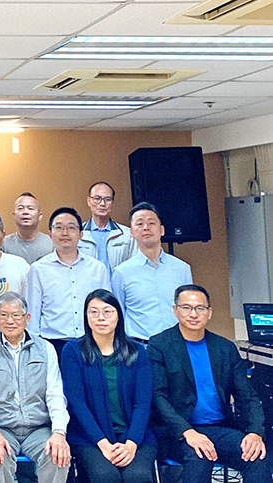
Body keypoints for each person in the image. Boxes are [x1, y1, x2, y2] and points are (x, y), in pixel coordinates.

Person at [150, 284, 271, 483]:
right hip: (179, 431)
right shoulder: (159, 345)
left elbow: (247, 396)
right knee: (199, 457)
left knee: (257, 456)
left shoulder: (224, 347)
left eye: (200, 308)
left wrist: (255, 432)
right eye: (186, 307)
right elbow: (157, 397)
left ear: (209, 312)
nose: (193, 314)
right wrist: (187, 432)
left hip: (219, 428)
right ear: (175, 310)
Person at [0, 291, 70, 483]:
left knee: (57, 455)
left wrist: (59, 432)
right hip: (2, 427)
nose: (10, 321)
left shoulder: (45, 348)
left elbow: (55, 394)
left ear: (27, 318)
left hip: (38, 428)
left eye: (16, 315)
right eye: (4, 315)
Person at [61, 289, 157, 483]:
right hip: (90, 436)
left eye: (107, 312)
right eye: (93, 312)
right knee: (105, 476)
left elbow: (143, 404)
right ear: (86, 317)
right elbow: (77, 403)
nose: (101, 318)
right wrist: (103, 444)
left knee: (137, 476)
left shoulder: (138, 351)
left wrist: (131, 444)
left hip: (134, 434)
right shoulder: (73, 351)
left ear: (118, 316)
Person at [26, 207, 110, 357]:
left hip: (92, 342)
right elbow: (33, 311)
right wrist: (35, 347)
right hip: (53, 344)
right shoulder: (38, 269)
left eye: (71, 228)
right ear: (50, 234)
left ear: (81, 234)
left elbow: (107, 308)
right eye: (58, 227)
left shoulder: (97, 268)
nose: (65, 233)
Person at [112, 202, 193, 343]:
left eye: (151, 223)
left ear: (162, 230)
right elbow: (118, 313)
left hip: (177, 344)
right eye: (139, 223)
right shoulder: (121, 273)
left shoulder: (182, 268)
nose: (146, 227)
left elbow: (189, 308)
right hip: (140, 346)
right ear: (131, 232)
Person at [79, 181, 137, 272]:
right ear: (88, 201)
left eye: (108, 199)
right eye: (97, 198)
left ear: (112, 203)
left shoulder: (127, 234)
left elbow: (134, 266)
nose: (102, 203)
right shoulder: (77, 234)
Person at [3, 193, 54, 264]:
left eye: (30, 208)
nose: (25, 212)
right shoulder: (4, 244)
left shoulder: (52, 243)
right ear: (14, 215)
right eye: (20, 208)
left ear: (40, 216)